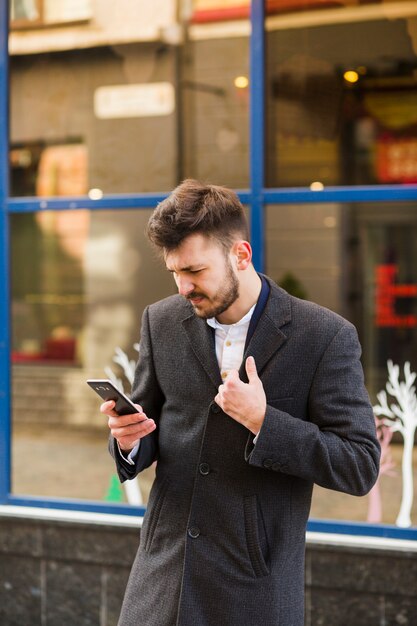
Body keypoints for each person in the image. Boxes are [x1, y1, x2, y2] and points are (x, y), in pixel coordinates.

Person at [102, 179, 380, 626]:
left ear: (241, 255)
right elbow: (151, 422)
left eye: (194, 271)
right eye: (174, 272)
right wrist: (129, 441)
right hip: (161, 581)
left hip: (254, 591)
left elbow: (359, 464)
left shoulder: (324, 337)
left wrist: (265, 422)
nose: (182, 287)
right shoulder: (161, 320)